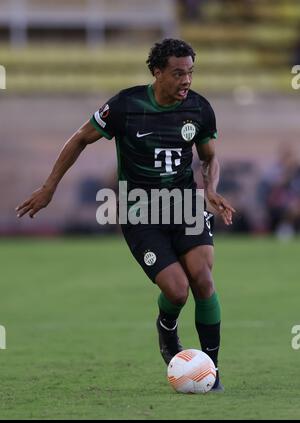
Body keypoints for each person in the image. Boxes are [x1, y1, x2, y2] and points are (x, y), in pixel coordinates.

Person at [16, 39, 235, 391]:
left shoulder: (199, 108)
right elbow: (79, 139)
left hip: (185, 206)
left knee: (204, 279)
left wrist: (209, 189)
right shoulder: (125, 106)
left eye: (191, 72)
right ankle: (167, 329)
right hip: (140, 212)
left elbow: (209, 157)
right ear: (157, 72)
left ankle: (212, 369)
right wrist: (48, 188)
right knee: (178, 291)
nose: (186, 81)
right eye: (178, 73)